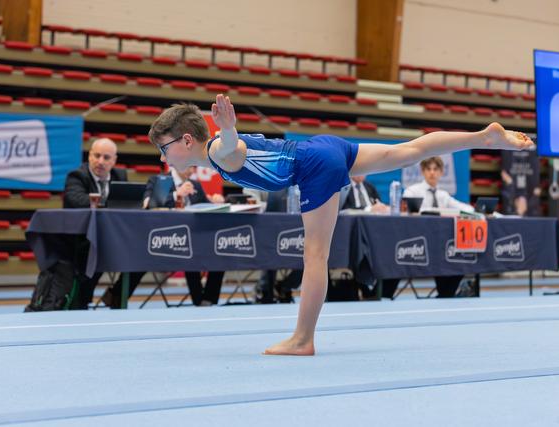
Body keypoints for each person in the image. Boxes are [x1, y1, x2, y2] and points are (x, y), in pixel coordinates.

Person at [148, 94, 534, 355]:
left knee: (314, 255)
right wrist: (227, 131)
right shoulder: (212, 153)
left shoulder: (216, 151)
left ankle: (303, 339)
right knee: (409, 151)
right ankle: (483, 137)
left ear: (185, 141)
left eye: (164, 149)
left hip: (312, 166)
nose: (164, 158)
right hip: (323, 148)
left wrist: (227, 129)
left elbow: (229, 147)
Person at [102, 166, 226, 308]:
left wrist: (216, 203)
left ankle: (206, 300)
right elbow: (149, 205)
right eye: (189, 165)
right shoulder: (160, 180)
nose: (191, 169)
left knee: (218, 251)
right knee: (141, 256)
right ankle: (117, 297)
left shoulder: (195, 185)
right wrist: (176, 194)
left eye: (193, 166)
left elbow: (206, 208)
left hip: (190, 242)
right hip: (161, 239)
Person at [62, 138, 127, 307]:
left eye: (106, 158)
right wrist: (106, 203)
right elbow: (77, 200)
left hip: (113, 237)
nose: (100, 161)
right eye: (96, 156)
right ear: (89, 156)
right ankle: (81, 301)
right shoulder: (77, 176)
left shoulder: (120, 176)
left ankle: (116, 296)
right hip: (83, 240)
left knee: (141, 254)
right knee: (97, 252)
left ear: (114, 160)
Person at [403, 157, 473, 298]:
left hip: (440, 244)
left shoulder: (443, 195)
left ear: (441, 173)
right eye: (428, 169)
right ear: (423, 172)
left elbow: (462, 207)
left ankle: (445, 294)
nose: (432, 173)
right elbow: (407, 208)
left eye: (435, 169)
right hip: (419, 242)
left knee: (459, 258)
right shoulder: (412, 191)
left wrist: (475, 209)